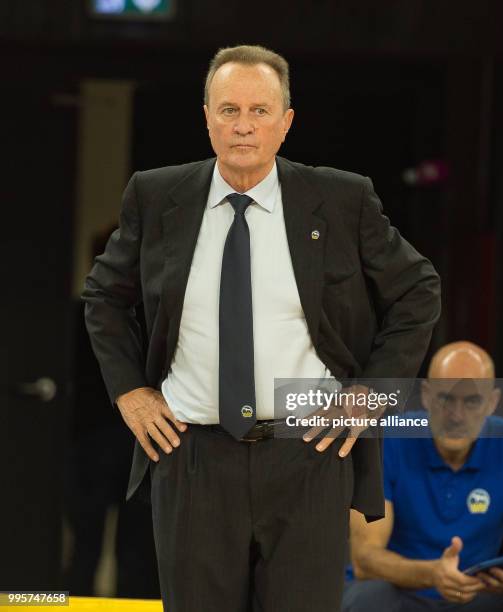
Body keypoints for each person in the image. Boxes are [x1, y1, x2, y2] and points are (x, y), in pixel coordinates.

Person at [82, 44, 441, 611]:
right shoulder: (156, 196)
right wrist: (129, 390)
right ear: (206, 117)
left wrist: (370, 394)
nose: (243, 127)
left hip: (309, 454)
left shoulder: (342, 199)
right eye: (228, 110)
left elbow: (418, 290)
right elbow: (103, 295)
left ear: (286, 122)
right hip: (191, 455)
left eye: (259, 111)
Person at [343, 341, 503, 611]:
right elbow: (365, 559)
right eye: (445, 399)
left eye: (472, 401)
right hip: (398, 593)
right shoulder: (386, 439)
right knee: (367, 598)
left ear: (492, 402)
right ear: (426, 396)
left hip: (477, 595)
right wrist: (433, 574)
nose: (456, 416)